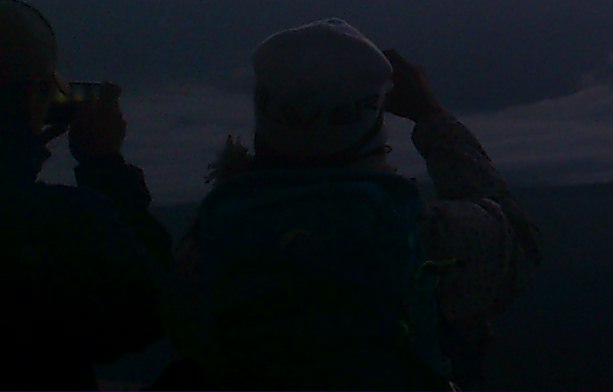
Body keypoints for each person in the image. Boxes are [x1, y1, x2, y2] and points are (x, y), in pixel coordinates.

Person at [170, 19, 539, 391]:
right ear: (372, 118)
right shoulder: (423, 238)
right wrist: (431, 116)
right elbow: (519, 241)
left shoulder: (210, 243)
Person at [0, 0, 172, 392]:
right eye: (46, 90)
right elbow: (150, 308)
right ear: (32, 96)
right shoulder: (57, 225)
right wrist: (103, 164)